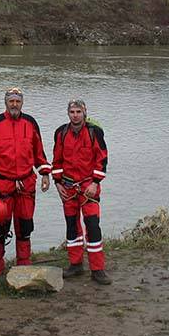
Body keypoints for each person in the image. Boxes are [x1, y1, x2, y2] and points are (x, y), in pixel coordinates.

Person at [0, 87, 51, 278]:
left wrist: (44, 173)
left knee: (25, 227)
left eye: (18, 101)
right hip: (2, 184)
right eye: (11, 101)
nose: (14, 104)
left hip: (26, 183)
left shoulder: (31, 123)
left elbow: (39, 152)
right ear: (6, 102)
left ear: (22, 102)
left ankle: (24, 267)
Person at [51, 99, 111, 285]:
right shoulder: (61, 133)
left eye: (78, 111)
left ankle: (97, 269)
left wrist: (95, 183)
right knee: (72, 227)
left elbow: (102, 160)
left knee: (93, 226)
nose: (75, 115)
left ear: (84, 112)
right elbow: (57, 161)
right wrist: (57, 182)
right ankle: (76, 264)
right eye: (72, 112)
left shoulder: (94, 132)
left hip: (88, 188)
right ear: (68, 113)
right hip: (68, 188)